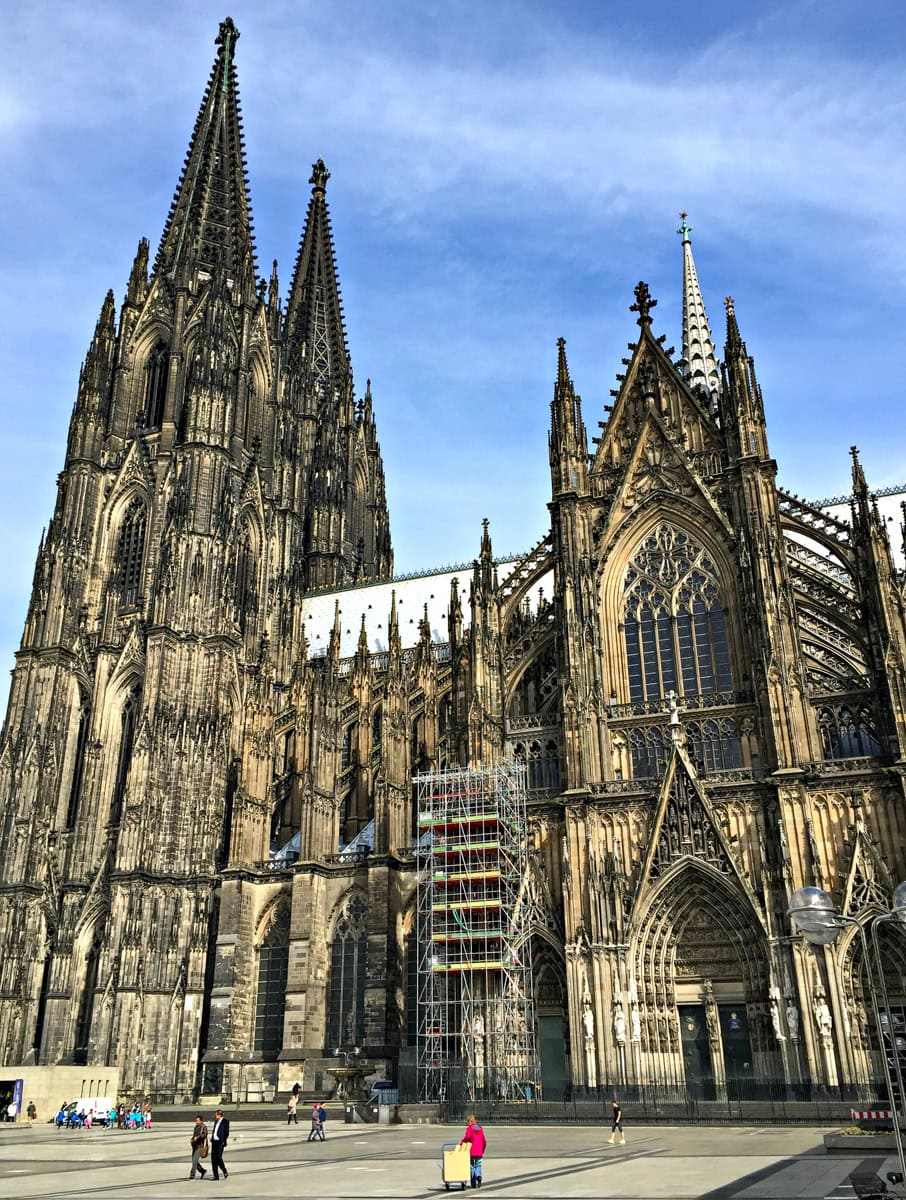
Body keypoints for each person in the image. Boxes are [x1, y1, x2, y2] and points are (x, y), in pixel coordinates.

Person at [459, 1114, 487, 1188]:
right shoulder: (480, 1128)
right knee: (478, 1165)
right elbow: (484, 1141)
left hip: (472, 1151)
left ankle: (473, 1184)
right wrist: (483, 1149)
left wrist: (462, 1142)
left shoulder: (470, 1128)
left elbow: (467, 1137)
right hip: (479, 1151)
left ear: (469, 1121)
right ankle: (478, 1176)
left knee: (472, 1166)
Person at [210, 1109, 230, 1180]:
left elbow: (226, 1132)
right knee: (213, 1159)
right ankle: (216, 1176)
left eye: (215, 1115)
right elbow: (215, 1130)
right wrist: (212, 1137)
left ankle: (224, 1171)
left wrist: (223, 1140)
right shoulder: (216, 1121)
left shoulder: (225, 1121)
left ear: (219, 1115)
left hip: (220, 1142)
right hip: (214, 1142)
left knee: (218, 1157)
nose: (215, 1116)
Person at [189, 1113, 209, 1180]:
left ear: (201, 1121)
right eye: (196, 1120)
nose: (196, 1122)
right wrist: (192, 1139)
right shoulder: (196, 1127)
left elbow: (205, 1134)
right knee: (194, 1161)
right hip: (194, 1146)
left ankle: (192, 1175)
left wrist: (198, 1137)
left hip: (199, 1147)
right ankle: (203, 1171)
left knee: (194, 1161)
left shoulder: (204, 1127)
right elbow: (194, 1135)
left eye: (197, 1120)